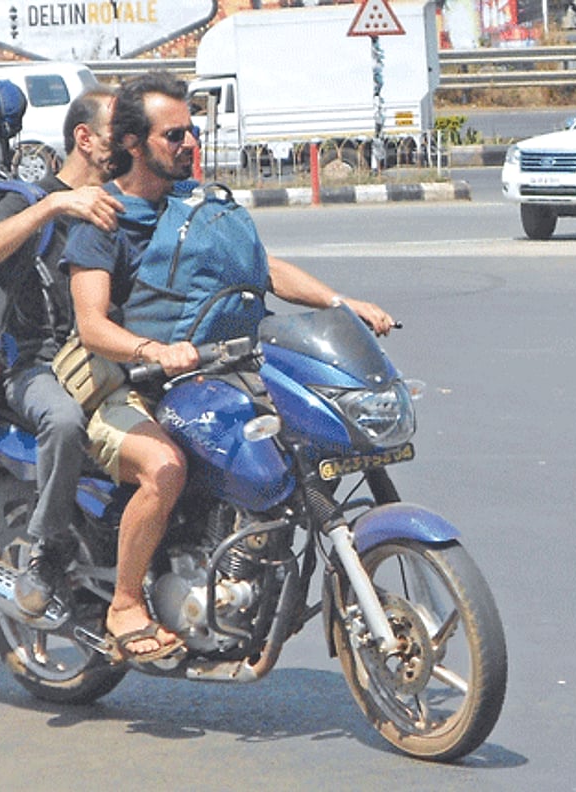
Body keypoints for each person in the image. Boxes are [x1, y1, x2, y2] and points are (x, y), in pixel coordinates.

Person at [60, 73, 395, 663]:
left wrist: (341, 304)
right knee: (163, 470)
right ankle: (124, 603)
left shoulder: (202, 205)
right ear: (134, 143)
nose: (189, 144)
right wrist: (152, 350)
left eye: (192, 132)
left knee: (306, 440)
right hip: (129, 383)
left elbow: (264, 270)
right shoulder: (107, 219)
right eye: (173, 136)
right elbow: (91, 325)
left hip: (219, 371)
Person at [0, 87, 124, 615]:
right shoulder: (28, 197)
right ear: (84, 137)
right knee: (62, 421)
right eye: (116, 131)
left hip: (112, 358)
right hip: (39, 362)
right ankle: (47, 549)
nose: (128, 141)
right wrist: (56, 203)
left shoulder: (125, 199)